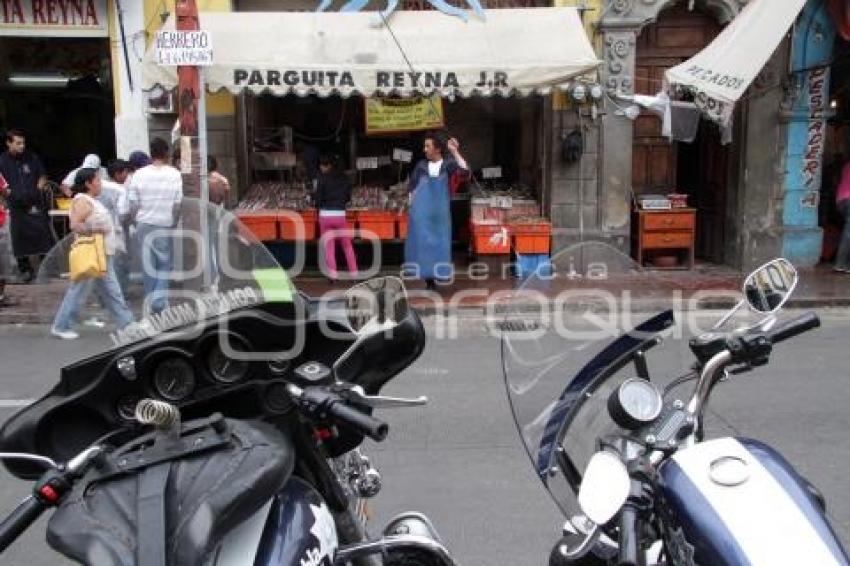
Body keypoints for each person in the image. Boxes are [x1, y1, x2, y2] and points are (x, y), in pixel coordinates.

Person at [51, 169, 135, 340]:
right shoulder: (82, 200)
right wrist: (94, 229)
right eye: (97, 180)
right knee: (78, 291)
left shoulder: (91, 200)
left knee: (112, 290)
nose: (100, 183)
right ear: (88, 183)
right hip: (92, 254)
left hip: (101, 254)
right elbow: (75, 224)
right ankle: (61, 325)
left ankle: (128, 324)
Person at [404, 132, 469, 290]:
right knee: (424, 246)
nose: (424, 149)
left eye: (428, 146)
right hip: (422, 216)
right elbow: (412, 189)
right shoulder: (420, 166)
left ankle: (438, 275)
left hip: (440, 215)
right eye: (425, 146)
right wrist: (411, 209)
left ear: (438, 149)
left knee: (440, 246)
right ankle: (428, 280)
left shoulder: (448, 164)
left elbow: (465, 172)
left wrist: (454, 151)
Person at [127, 138, 182, 314]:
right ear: (166, 153)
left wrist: (136, 220)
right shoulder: (174, 174)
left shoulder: (139, 174)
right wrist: (174, 220)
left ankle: (153, 300)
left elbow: (133, 203)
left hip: (144, 223)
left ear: (151, 153)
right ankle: (159, 301)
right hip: (164, 223)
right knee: (164, 263)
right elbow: (177, 203)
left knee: (147, 265)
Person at [0, 129, 55, 283]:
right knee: (19, 239)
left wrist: (39, 187)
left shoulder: (31, 157)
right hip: (15, 205)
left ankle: (46, 269)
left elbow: (42, 175)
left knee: (43, 234)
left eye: (23, 143)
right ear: (8, 143)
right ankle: (26, 270)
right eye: (18, 143)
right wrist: (7, 194)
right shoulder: (2, 160)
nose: (22, 146)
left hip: (35, 203)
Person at [315, 155, 357, 282]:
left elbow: (317, 199)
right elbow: (348, 197)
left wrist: (318, 203)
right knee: (347, 246)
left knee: (329, 246)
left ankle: (333, 276)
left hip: (325, 216)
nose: (321, 168)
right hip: (339, 215)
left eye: (322, 166)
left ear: (327, 165)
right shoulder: (344, 178)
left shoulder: (321, 178)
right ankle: (354, 275)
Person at [835, 159, 850, 273]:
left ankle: (844, 264)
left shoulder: (847, 165)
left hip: (841, 200)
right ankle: (841, 264)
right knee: (848, 232)